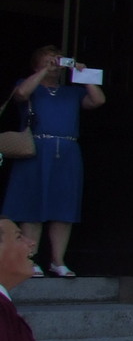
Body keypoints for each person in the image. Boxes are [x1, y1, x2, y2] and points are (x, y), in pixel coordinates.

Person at [2, 45, 104, 278]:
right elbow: (21, 94)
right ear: (37, 64)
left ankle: (58, 261)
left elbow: (97, 100)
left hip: (67, 151)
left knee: (63, 207)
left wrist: (82, 75)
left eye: (58, 61)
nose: (55, 65)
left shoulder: (71, 92)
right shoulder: (29, 85)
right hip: (36, 150)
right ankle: (31, 259)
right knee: (32, 206)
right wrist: (41, 71)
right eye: (49, 60)